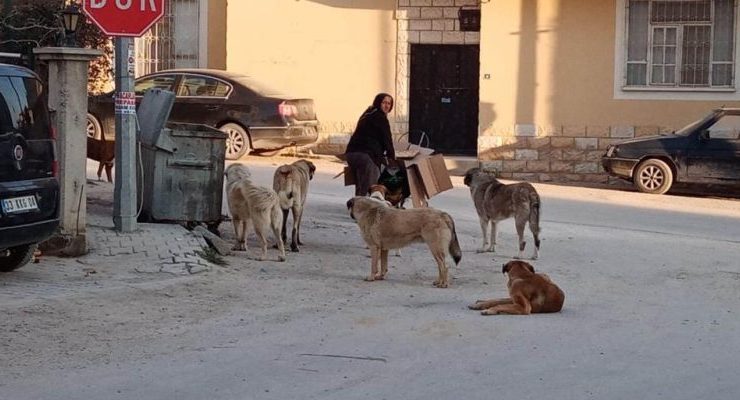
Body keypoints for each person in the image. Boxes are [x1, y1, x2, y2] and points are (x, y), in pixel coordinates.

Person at [344, 93, 396, 196]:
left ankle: (357, 206)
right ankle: (366, 207)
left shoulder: (368, 113)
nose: (386, 106)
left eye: (389, 104)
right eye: (384, 103)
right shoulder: (380, 117)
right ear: (378, 103)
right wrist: (392, 159)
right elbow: (387, 140)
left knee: (361, 183)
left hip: (351, 154)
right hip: (366, 156)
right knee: (371, 186)